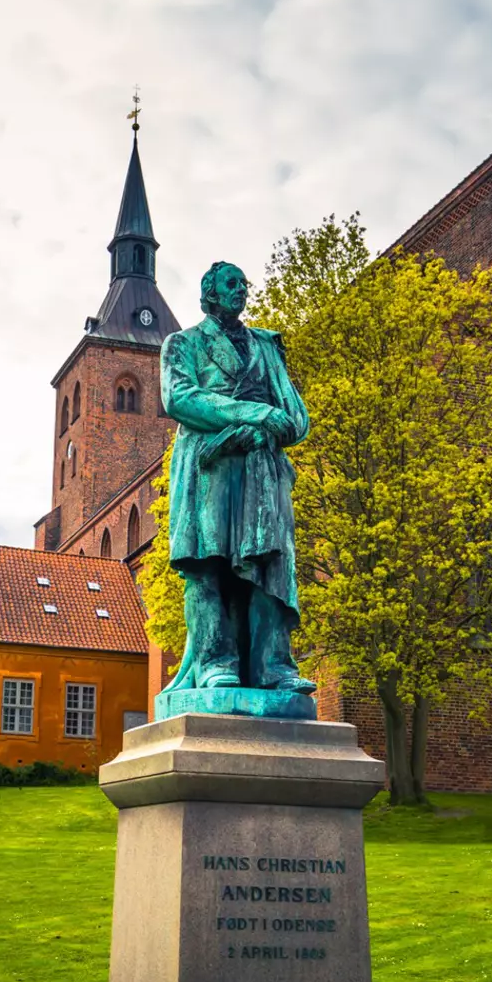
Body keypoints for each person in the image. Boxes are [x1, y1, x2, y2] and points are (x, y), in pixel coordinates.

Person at [159, 260, 315, 698]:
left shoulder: (266, 348)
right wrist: (254, 414)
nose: (240, 291)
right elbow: (181, 398)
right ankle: (214, 663)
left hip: (261, 469)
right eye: (231, 284)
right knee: (207, 564)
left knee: (270, 564)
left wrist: (257, 428)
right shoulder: (182, 344)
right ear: (209, 292)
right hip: (210, 470)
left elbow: (296, 418)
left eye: (243, 285)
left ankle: (274, 666)